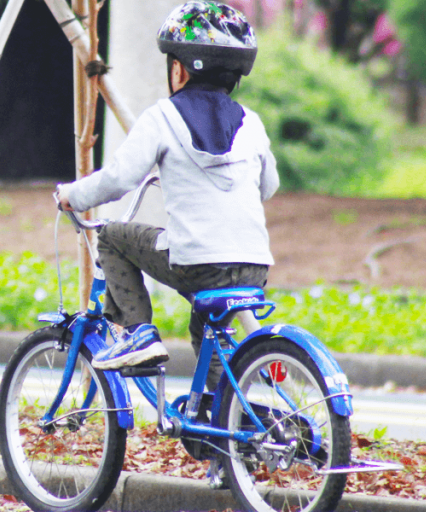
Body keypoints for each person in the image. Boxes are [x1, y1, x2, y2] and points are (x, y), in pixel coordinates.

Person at [55, 1, 278, 391]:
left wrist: (72, 194)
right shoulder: (252, 124)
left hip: (198, 263)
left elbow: (120, 178)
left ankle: (139, 332)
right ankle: (224, 428)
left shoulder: (162, 117)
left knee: (112, 236)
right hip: (254, 267)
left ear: (178, 68)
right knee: (208, 338)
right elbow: (268, 186)